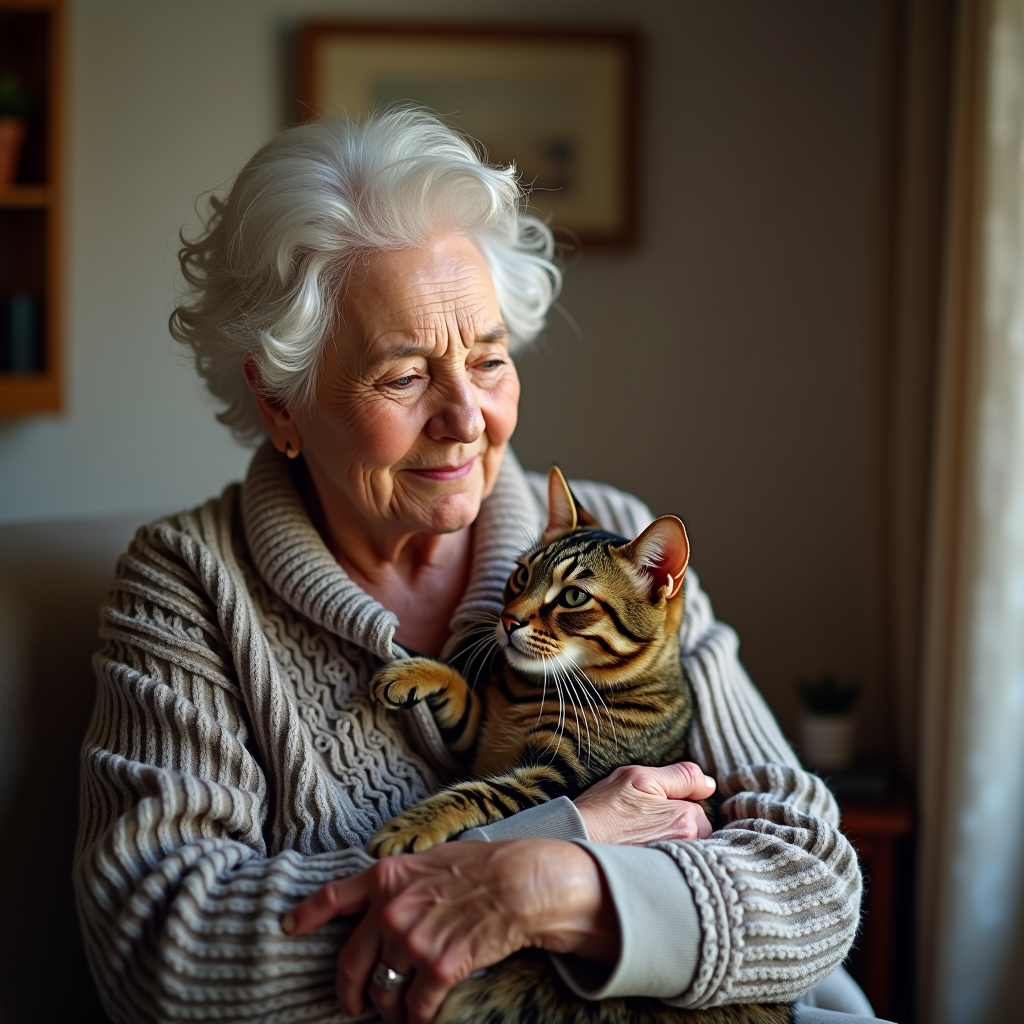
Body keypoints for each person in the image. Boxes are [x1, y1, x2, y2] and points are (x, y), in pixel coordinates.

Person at [74, 108, 881, 1024]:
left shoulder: (617, 538)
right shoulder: (188, 586)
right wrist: (557, 837)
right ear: (279, 400)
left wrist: (558, 888)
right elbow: (160, 950)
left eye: (489, 360)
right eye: (404, 375)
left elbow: (813, 882)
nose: (467, 418)